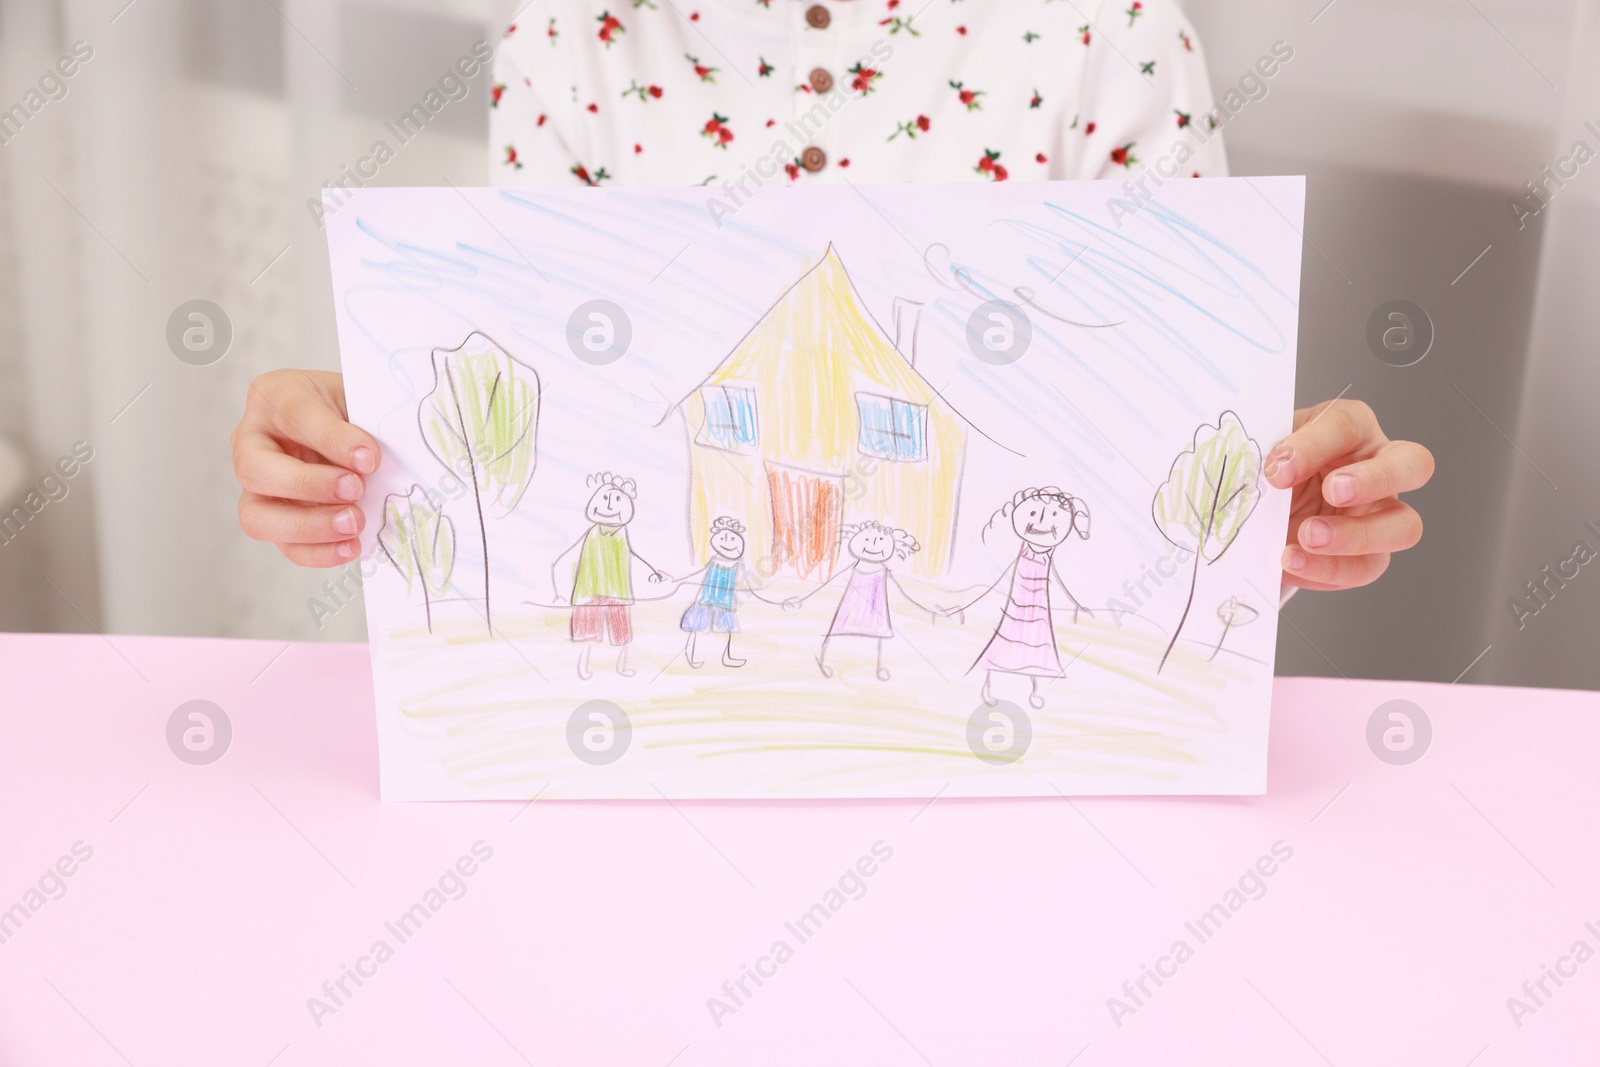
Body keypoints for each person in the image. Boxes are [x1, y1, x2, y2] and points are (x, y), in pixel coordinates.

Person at [231, 1, 1432, 597]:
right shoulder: (569, 39)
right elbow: (572, 392)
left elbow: (1165, 423)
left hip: (1023, 810)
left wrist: (1283, 508)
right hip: (653, 796)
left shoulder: (1107, 34)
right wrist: (375, 436)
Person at [954, 487, 1093, 709]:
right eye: (1033, 514)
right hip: (1017, 607)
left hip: (1038, 610)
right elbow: (1000, 576)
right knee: (1004, 641)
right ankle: (988, 685)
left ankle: (1034, 689)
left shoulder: (1048, 554)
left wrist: (1075, 603)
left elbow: (1056, 578)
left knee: (1038, 643)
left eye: (1054, 516)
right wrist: (970, 602)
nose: (1041, 522)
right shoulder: (1022, 549)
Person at [785, 520, 936, 681]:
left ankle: (878, 668)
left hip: (874, 611)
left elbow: (902, 593)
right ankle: (823, 659)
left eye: (880, 542)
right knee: (835, 631)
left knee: (877, 638)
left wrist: (927, 610)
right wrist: (803, 598)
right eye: (867, 540)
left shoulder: (883, 570)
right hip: (851, 608)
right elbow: (829, 582)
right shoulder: (855, 566)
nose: (873, 546)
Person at [550, 472, 665, 678]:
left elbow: (632, 552)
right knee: (586, 632)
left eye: (617, 500)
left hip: (617, 591)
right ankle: (583, 667)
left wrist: (653, 571)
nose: (610, 506)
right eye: (605, 499)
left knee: (621, 632)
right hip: (588, 590)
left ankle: (620, 667)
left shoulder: (621, 533)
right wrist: (556, 571)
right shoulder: (592, 531)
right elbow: (569, 551)